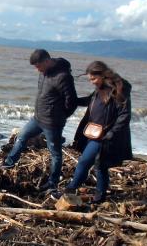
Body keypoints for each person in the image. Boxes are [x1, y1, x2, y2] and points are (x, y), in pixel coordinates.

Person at [55, 60, 132, 203]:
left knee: (85, 162)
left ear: (103, 74)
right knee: (100, 166)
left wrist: (111, 134)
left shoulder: (119, 89)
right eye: (90, 79)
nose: (92, 82)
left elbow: (125, 115)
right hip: (95, 133)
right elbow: (88, 101)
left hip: (107, 136)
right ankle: (100, 196)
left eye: (94, 78)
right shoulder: (99, 88)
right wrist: (70, 100)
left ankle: (70, 191)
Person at [2, 49, 77, 192]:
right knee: (21, 136)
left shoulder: (63, 77)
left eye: (38, 66)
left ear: (47, 61)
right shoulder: (44, 73)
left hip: (52, 123)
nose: (37, 70)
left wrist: (60, 117)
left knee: (55, 153)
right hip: (37, 118)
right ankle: (9, 163)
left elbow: (72, 102)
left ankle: (52, 183)